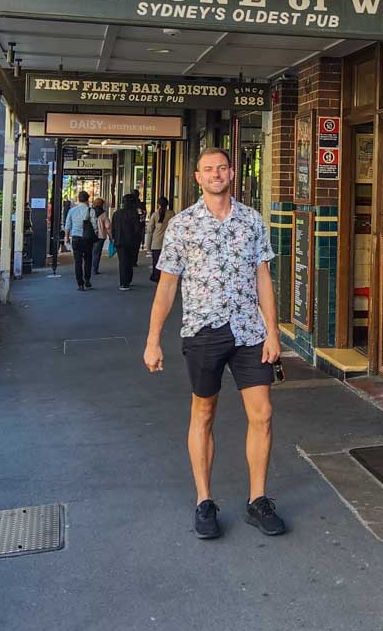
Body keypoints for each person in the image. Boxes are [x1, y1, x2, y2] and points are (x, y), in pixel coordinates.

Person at [144, 147, 285, 541]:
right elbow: (167, 286)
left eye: (221, 168)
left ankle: (258, 500)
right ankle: (204, 501)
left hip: (248, 332)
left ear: (233, 173)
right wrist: (153, 340)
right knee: (203, 413)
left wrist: (273, 332)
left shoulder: (252, 221)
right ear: (198, 177)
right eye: (208, 169)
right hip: (203, 331)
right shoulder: (182, 226)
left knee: (263, 413)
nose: (215, 174)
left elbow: (263, 279)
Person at [64, 190, 95, 291]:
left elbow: (67, 225)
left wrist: (67, 237)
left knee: (78, 261)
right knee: (88, 260)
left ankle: (80, 284)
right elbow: (94, 226)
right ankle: (87, 279)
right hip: (87, 239)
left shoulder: (72, 211)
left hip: (76, 238)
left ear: (78, 199)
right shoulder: (91, 211)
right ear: (87, 199)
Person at [112, 193, 143, 291]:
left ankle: (123, 282)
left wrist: (113, 237)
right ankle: (127, 281)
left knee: (122, 261)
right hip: (131, 241)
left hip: (119, 240)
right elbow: (138, 228)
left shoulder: (116, 213)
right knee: (129, 261)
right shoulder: (134, 214)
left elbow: (113, 228)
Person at [145, 195, 173, 283]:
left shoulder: (155, 214)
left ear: (158, 204)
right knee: (167, 262)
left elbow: (150, 230)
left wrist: (148, 245)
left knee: (156, 262)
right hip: (168, 242)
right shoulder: (171, 214)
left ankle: (157, 278)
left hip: (156, 243)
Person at [91, 198, 111, 274]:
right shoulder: (103, 214)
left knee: (89, 252)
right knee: (97, 253)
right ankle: (94, 269)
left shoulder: (90, 212)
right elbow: (108, 227)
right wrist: (111, 237)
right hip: (100, 236)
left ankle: (88, 268)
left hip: (90, 235)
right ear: (102, 205)